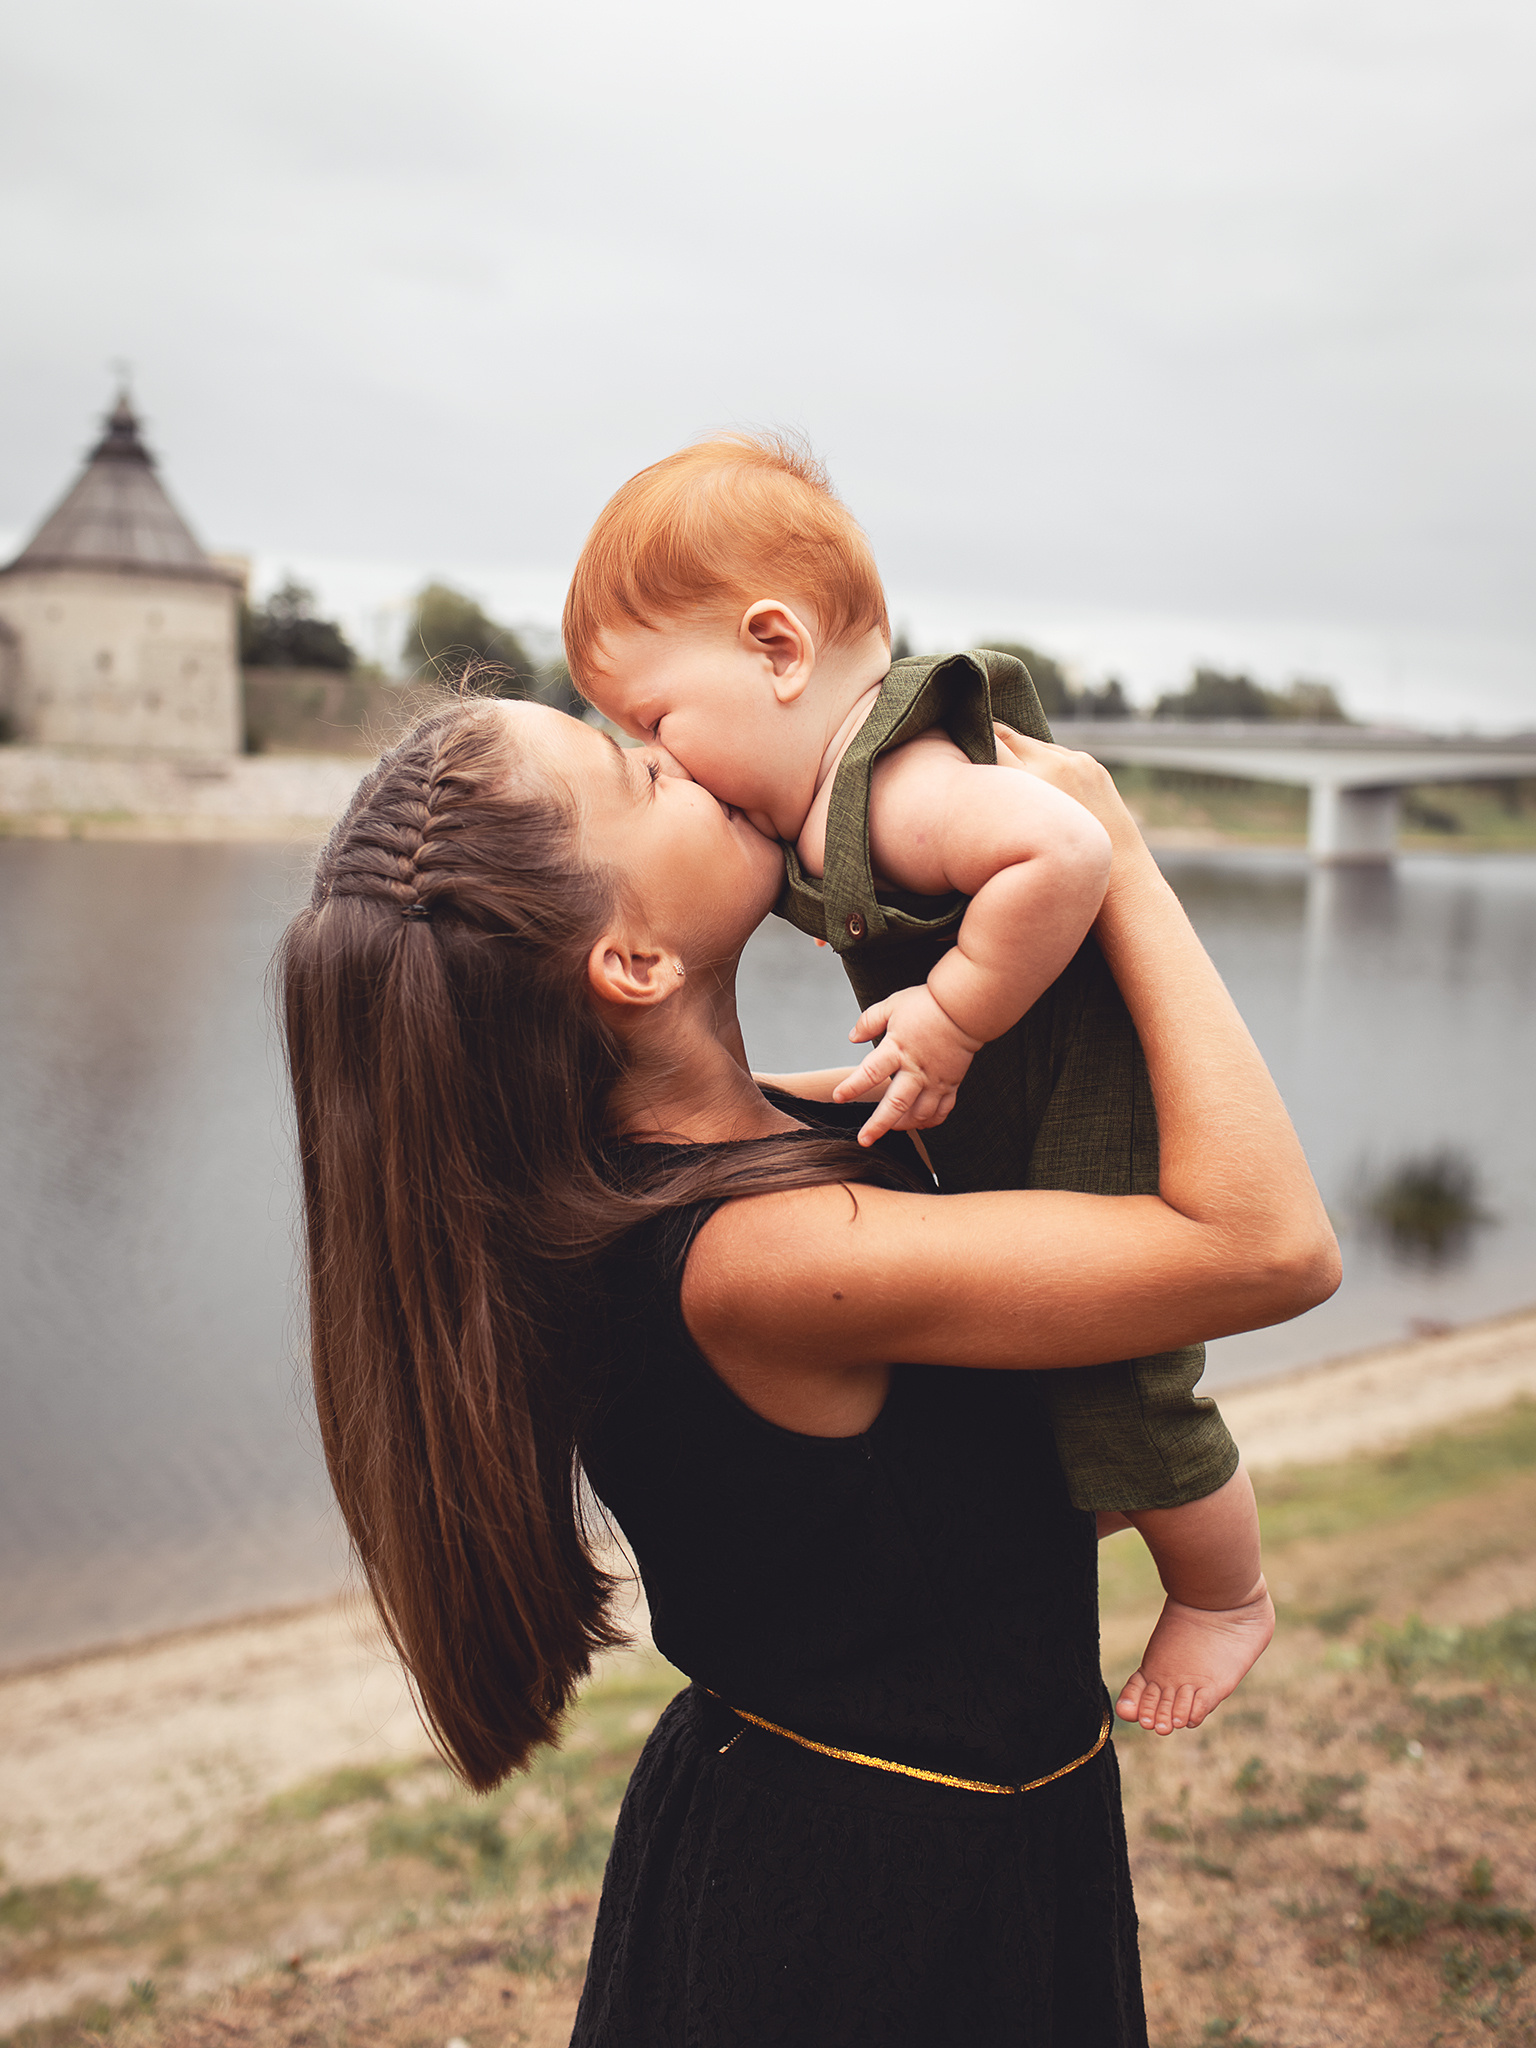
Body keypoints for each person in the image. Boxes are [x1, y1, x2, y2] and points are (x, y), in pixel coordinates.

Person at [279, 691, 1338, 2047]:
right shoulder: (764, 1260)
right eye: (641, 772)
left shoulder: (733, 1154)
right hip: (865, 1906)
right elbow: (1270, 1248)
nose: (693, 756)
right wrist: (1108, 852)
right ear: (632, 963)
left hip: (926, 1824)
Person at [561, 433, 1252, 1731]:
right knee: (1069, 1391)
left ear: (777, 651)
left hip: (1073, 1112)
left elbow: (1064, 846)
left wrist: (950, 1016)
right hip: (1019, 1112)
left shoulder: (887, 791)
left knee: (1131, 1390)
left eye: (655, 726)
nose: (672, 764)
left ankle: (1225, 1596)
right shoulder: (835, 807)